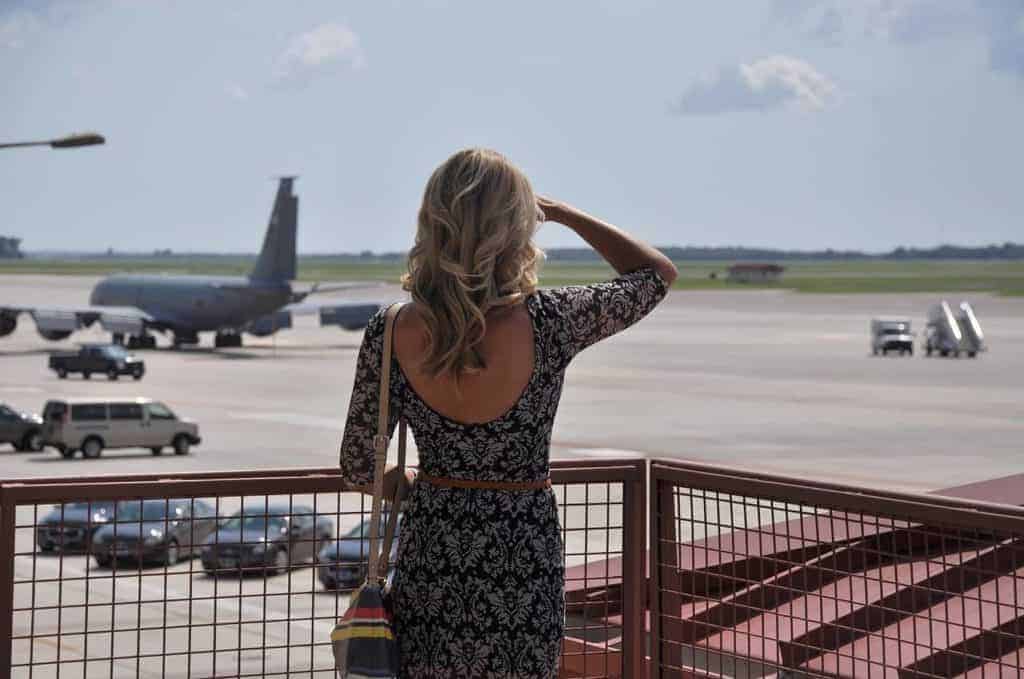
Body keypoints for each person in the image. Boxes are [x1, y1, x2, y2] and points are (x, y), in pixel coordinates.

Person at [339, 148, 676, 677]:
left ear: (432, 222)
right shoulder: (552, 320)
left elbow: (359, 466)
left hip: (434, 555)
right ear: (519, 228)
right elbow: (654, 274)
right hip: (524, 556)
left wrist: (417, 480)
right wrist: (563, 212)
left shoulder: (390, 330)